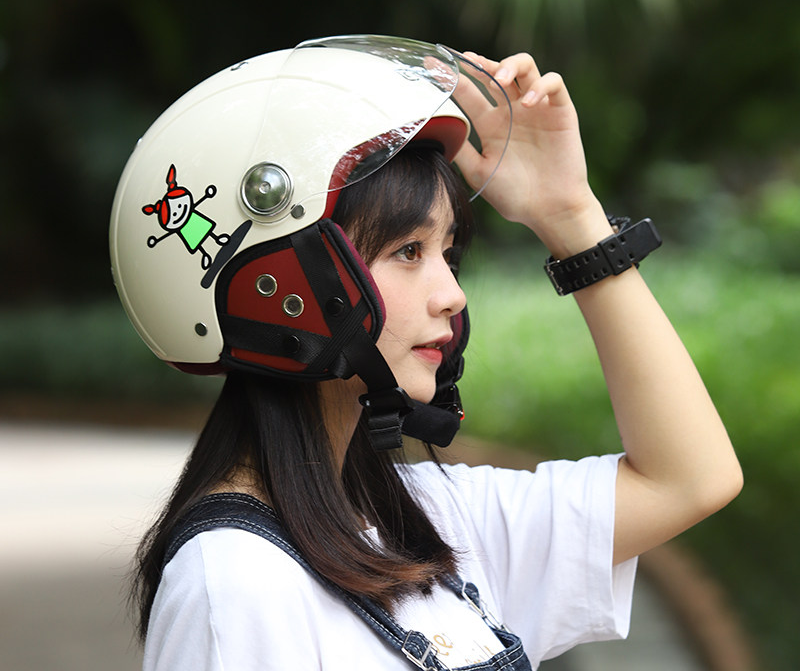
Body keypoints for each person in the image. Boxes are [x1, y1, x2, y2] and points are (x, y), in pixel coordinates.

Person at [109, 35, 742, 670]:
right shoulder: (236, 584)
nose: (453, 295)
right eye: (408, 251)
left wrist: (571, 216)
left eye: (448, 252)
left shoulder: (432, 518)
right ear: (279, 287)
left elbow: (689, 480)